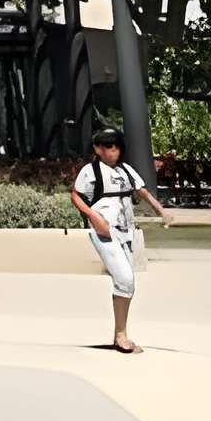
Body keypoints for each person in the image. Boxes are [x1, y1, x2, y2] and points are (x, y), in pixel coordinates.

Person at [71, 127, 171, 353]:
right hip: (105, 231)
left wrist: (160, 210)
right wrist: (94, 218)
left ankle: (120, 332)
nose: (112, 151)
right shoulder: (90, 171)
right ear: (97, 149)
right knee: (125, 279)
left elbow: (141, 190)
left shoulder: (126, 170)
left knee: (127, 282)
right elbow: (76, 195)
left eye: (115, 146)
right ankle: (120, 334)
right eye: (106, 146)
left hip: (126, 231)